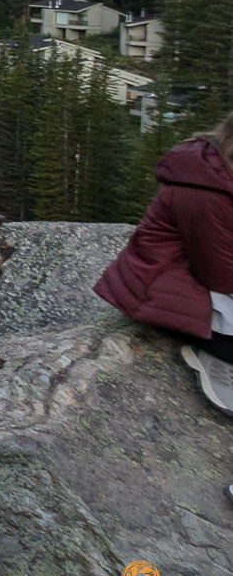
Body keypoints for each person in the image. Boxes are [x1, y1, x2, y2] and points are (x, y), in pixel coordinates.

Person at [94, 109, 233, 418]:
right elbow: (221, 276)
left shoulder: (221, 171)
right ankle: (212, 358)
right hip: (162, 289)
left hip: (205, 280)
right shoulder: (208, 189)